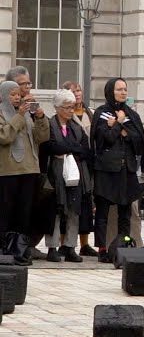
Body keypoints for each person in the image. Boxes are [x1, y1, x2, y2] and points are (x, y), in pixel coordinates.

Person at [91, 78, 144, 260]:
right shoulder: (101, 113)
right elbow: (103, 139)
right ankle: (102, 249)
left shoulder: (131, 114)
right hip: (106, 170)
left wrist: (121, 128)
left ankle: (123, 245)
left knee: (125, 211)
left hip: (126, 170)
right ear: (110, 91)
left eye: (125, 89)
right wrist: (118, 125)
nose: (123, 93)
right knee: (103, 212)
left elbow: (138, 140)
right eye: (119, 89)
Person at [0, 80, 51, 264]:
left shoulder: (26, 114)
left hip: (29, 170)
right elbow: (5, 136)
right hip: (8, 172)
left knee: (24, 213)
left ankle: (19, 250)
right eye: (12, 94)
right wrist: (19, 116)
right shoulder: (3, 113)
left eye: (18, 95)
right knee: (6, 212)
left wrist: (40, 117)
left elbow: (42, 137)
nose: (16, 97)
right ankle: (4, 250)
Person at [43, 89, 89, 262]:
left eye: (73, 107)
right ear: (57, 108)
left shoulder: (76, 127)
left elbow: (84, 148)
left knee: (74, 209)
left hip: (74, 173)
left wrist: (67, 148)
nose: (71, 110)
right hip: (54, 173)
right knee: (55, 209)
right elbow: (51, 147)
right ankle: (52, 247)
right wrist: (70, 148)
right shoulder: (50, 124)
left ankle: (70, 246)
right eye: (67, 107)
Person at [62, 80, 95, 257]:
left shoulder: (90, 112)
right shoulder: (65, 115)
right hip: (72, 162)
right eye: (73, 91)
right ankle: (64, 243)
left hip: (87, 163)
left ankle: (85, 243)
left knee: (86, 204)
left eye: (79, 90)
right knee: (69, 205)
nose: (77, 93)